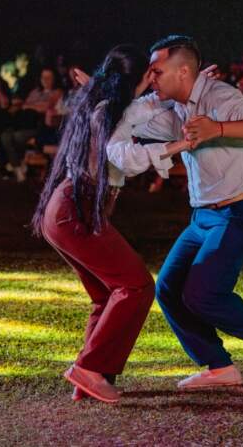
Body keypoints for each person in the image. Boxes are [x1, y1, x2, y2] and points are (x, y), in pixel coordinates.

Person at [33, 44, 191, 404]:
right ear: (134, 79)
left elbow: (135, 109)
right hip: (75, 211)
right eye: (149, 74)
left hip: (68, 209)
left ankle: (93, 377)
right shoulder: (107, 112)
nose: (154, 79)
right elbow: (127, 157)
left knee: (106, 295)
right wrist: (179, 145)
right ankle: (89, 368)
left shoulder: (107, 106)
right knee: (137, 286)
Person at [132, 35, 243, 390]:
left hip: (238, 212)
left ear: (183, 71)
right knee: (168, 289)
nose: (152, 77)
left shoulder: (219, 96)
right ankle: (219, 367)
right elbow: (126, 119)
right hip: (203, 217)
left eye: (157, 71)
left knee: (202, 294)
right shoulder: (176, 106)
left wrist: (217, 129)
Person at [1, 68, 62, 182]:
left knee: (18, 137)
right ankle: (18, 166)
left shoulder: (57, 92)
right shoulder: (35, 91)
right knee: (5, 136)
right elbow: (24, 105)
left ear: (54, 79)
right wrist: (32, 106)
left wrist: (31, 106)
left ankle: (17, 165)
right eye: (43, 77)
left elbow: (46, 107)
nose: (45, 80)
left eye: (48, 77)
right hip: (23, 123)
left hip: (39, 126)